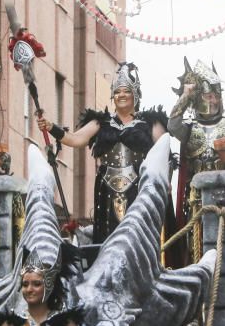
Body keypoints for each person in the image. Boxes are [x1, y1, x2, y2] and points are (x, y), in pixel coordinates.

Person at [37, 62, 168, 244]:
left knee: (137, 234)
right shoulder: (101, 122)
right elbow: (75, 139)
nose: (121, 95)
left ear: (135, 94)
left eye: (126, 91)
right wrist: (51, 128)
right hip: (107, 187)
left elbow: (163, 153)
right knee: (108, 235)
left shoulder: (150, 123)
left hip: (139, 186)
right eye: (117, 91)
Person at [167, 58, 225, 262]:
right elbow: (172, 125)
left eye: (215, 96)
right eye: (207, 96)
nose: (212, 101)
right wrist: (185, 96)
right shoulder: (189, 128)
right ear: (198, 98)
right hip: (197, 200)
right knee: (198, 248)